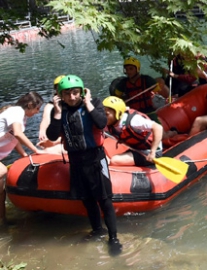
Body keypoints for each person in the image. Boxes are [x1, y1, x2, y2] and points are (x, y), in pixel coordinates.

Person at [45, 75, 122, 254]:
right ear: (60, 95)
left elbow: (102, 123)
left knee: (105, 200)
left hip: (96, 158)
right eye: (67, 94)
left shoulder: (94, 102)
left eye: (75, 93)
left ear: (82, 92)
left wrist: (87, 103)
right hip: (76, 159)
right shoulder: (58, 109)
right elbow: (52, 136)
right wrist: (56, 113)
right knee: (87, 200)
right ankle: (97, 230)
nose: (72, 97)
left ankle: (114, 238)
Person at [0, 91, 44, 225]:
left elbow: (14, 138)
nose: (37, 112)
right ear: (30, 104)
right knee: (2, 171)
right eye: (37, 108)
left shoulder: (21, 117)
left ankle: (2, 221)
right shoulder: (16, 111)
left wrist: (24, 155)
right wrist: (36, 150)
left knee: (1, 193)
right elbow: (18, 134)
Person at [102, 96, 163, 166]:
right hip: (138, 150)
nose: (104, 117)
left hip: (151, 152)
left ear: (118, 113)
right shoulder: (110, 123)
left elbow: (158, 127)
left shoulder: (134, 121)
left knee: (114, 160)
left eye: (106, 114)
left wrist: (153, 152)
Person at [38, 75, 66, 153]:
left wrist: (55, 142)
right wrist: (42, 131)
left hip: (68, 139)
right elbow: (45, 119)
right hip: (57, 135)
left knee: (50, 149)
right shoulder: (50, 105)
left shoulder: (75, 105)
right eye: (58, 88)